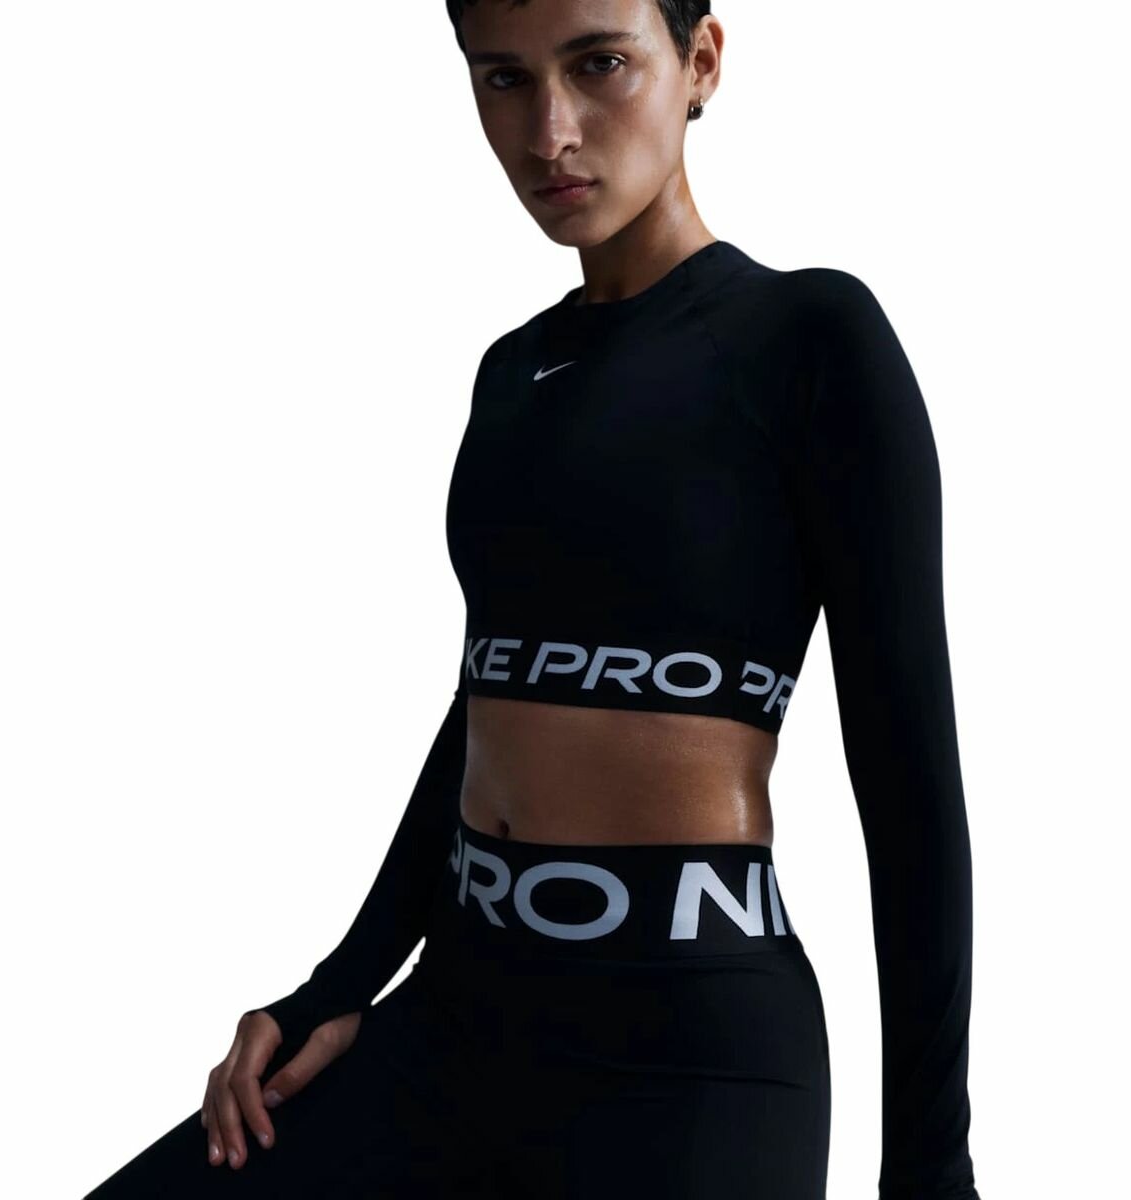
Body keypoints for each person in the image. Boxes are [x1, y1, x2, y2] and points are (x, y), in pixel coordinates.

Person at [83, 2, 982, 1197]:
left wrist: (930, 1168)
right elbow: (492, 703)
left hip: (687, 1064)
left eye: (599, 64)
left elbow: (910, 783)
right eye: (503, 78)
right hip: (459, 1015)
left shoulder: (809, 338)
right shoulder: (514, 373)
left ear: (700, 61)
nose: (549, 130)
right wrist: (342, 982)